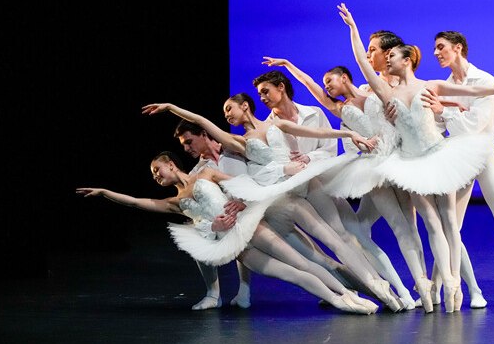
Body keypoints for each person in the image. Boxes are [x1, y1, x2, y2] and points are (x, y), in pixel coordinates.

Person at [338, 2, 494, 313]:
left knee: (465, 224)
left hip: (463, 155)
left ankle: (479, 287)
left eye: (441, 47)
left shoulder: (441, 84)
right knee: (436, 224)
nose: (386, 60)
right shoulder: (394, 93)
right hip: (419, 163)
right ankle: (456, 288)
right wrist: (353, 29)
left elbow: (477, 101)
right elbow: (363, 64)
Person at [142, 96, 404, 312]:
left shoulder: (253, 137)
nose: (187, 147)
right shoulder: (211, 163)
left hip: (284, 201)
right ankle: (350, 296)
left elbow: (304, 138)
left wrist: (345, 132)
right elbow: (213, 213)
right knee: (311, 262)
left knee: (329, 252)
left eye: (189, 141)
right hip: (263, 218)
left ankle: (382, 291)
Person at [76, 151, 378, 315]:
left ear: (170, 164)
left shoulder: (206, 173)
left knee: (304, 263)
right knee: (291, 275)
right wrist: (105, 192)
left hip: (248, 225)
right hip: (234, 246)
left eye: (158, 169)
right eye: (153, 175)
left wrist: (241, 200)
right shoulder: (173, 202)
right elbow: (136, 202)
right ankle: (340, 300)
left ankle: (345, 294)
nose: (156, 176)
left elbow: (243, 182)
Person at [260, 57, 426, 310]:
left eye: (329, 81)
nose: (325, 86)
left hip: (381, 163)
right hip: (318, 185)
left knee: (391, 228)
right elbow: (309, 84)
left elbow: (327, 148)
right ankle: (391, 291)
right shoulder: (275, 126)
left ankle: (414, 287)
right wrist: (289, 66)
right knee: (349, 239)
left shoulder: (367, 91)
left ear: (344, 78)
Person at [423, 30, 494, 309]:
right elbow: (437, 128)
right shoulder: (444, 86)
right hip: (458, 159)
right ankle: (473, 289)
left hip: (483, 156)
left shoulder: (484, 80)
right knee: (452, 229)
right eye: (435, 48)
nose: (436, 53)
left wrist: (443, 112)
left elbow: (474, 126)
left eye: (441, 47)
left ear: (457, 48)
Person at [172, 119, 251, 309]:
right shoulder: (197, 172)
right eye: (183, 145)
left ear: (204, 134)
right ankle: (213, 294)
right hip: (232, 218)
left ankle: (244, 289)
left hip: (258, 204)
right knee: (197, 233)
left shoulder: (233, 147)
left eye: (189, 142)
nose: (186, 148)